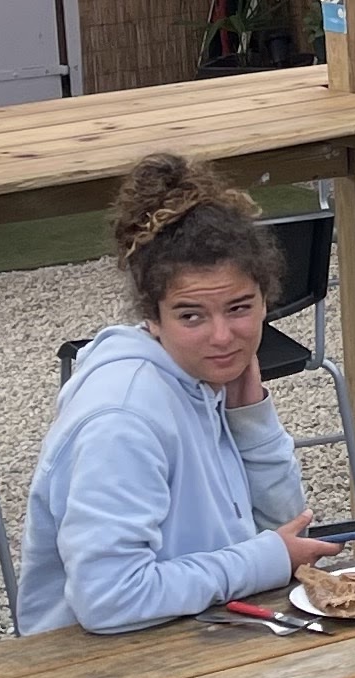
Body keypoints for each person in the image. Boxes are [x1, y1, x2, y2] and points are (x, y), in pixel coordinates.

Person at [18, 158, 337, 636]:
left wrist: (253, 423)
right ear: (153, 316)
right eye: (192, 316)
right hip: (96, 663)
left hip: (199, 629)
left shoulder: (204, 380)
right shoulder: (122, 419)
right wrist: (265, 560)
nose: (222, 336)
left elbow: (286, 531)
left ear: (265, 300)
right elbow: (109, 599)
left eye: (239, 308)